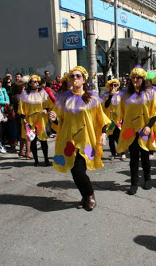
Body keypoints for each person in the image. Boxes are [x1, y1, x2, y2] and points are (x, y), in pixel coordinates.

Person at [49, 66, 110, 211]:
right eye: (72, 76)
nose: (75, 79)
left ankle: (89, 196)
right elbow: (59, 120)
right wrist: (54, 119)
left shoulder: (92, 97)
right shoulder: (63, 98)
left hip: (86, 139)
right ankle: (86, 195)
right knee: (74, 171)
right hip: (68, 140)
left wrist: (103, 133)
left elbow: (101, 118)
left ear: (83, 79)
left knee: (79, 171)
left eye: (78, 76)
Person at [116, 65, 156, 195]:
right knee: (133, 158)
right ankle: (134, 183)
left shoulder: (151, 93)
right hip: (130, 130)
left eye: (138, 77)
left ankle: (147, 179)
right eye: (133, 77)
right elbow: (120, 112)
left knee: (145, 156)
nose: (135, 80)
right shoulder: (126, 94)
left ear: (143, 79)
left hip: (145, 130)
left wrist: (149, 126)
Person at [18, 75, 54, 167]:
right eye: (34, 81)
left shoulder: (43, 93)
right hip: (30, 119)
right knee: (32, 140)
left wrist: (46, 109)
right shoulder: (25, 94)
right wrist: (24, 120)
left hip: (41, 119)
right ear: (29, 83)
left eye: (37, 82)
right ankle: (36, 161)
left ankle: (46, 159)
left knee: (43, 140)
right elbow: (21, 109)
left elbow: (48, 104)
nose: (36, 83)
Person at [101, 78, 125, 160]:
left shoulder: (121, 95)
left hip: (118, 119)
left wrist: (123, 117)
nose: (113, 86)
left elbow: (123, 107)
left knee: (119, 136)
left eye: (115, 85)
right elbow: (105, 106)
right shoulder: (106, 95)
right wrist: (110, 96)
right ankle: (113, 153)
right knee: (111, 136)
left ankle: (122, 153)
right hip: (110, 119)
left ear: (118, 86)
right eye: (112, 85)